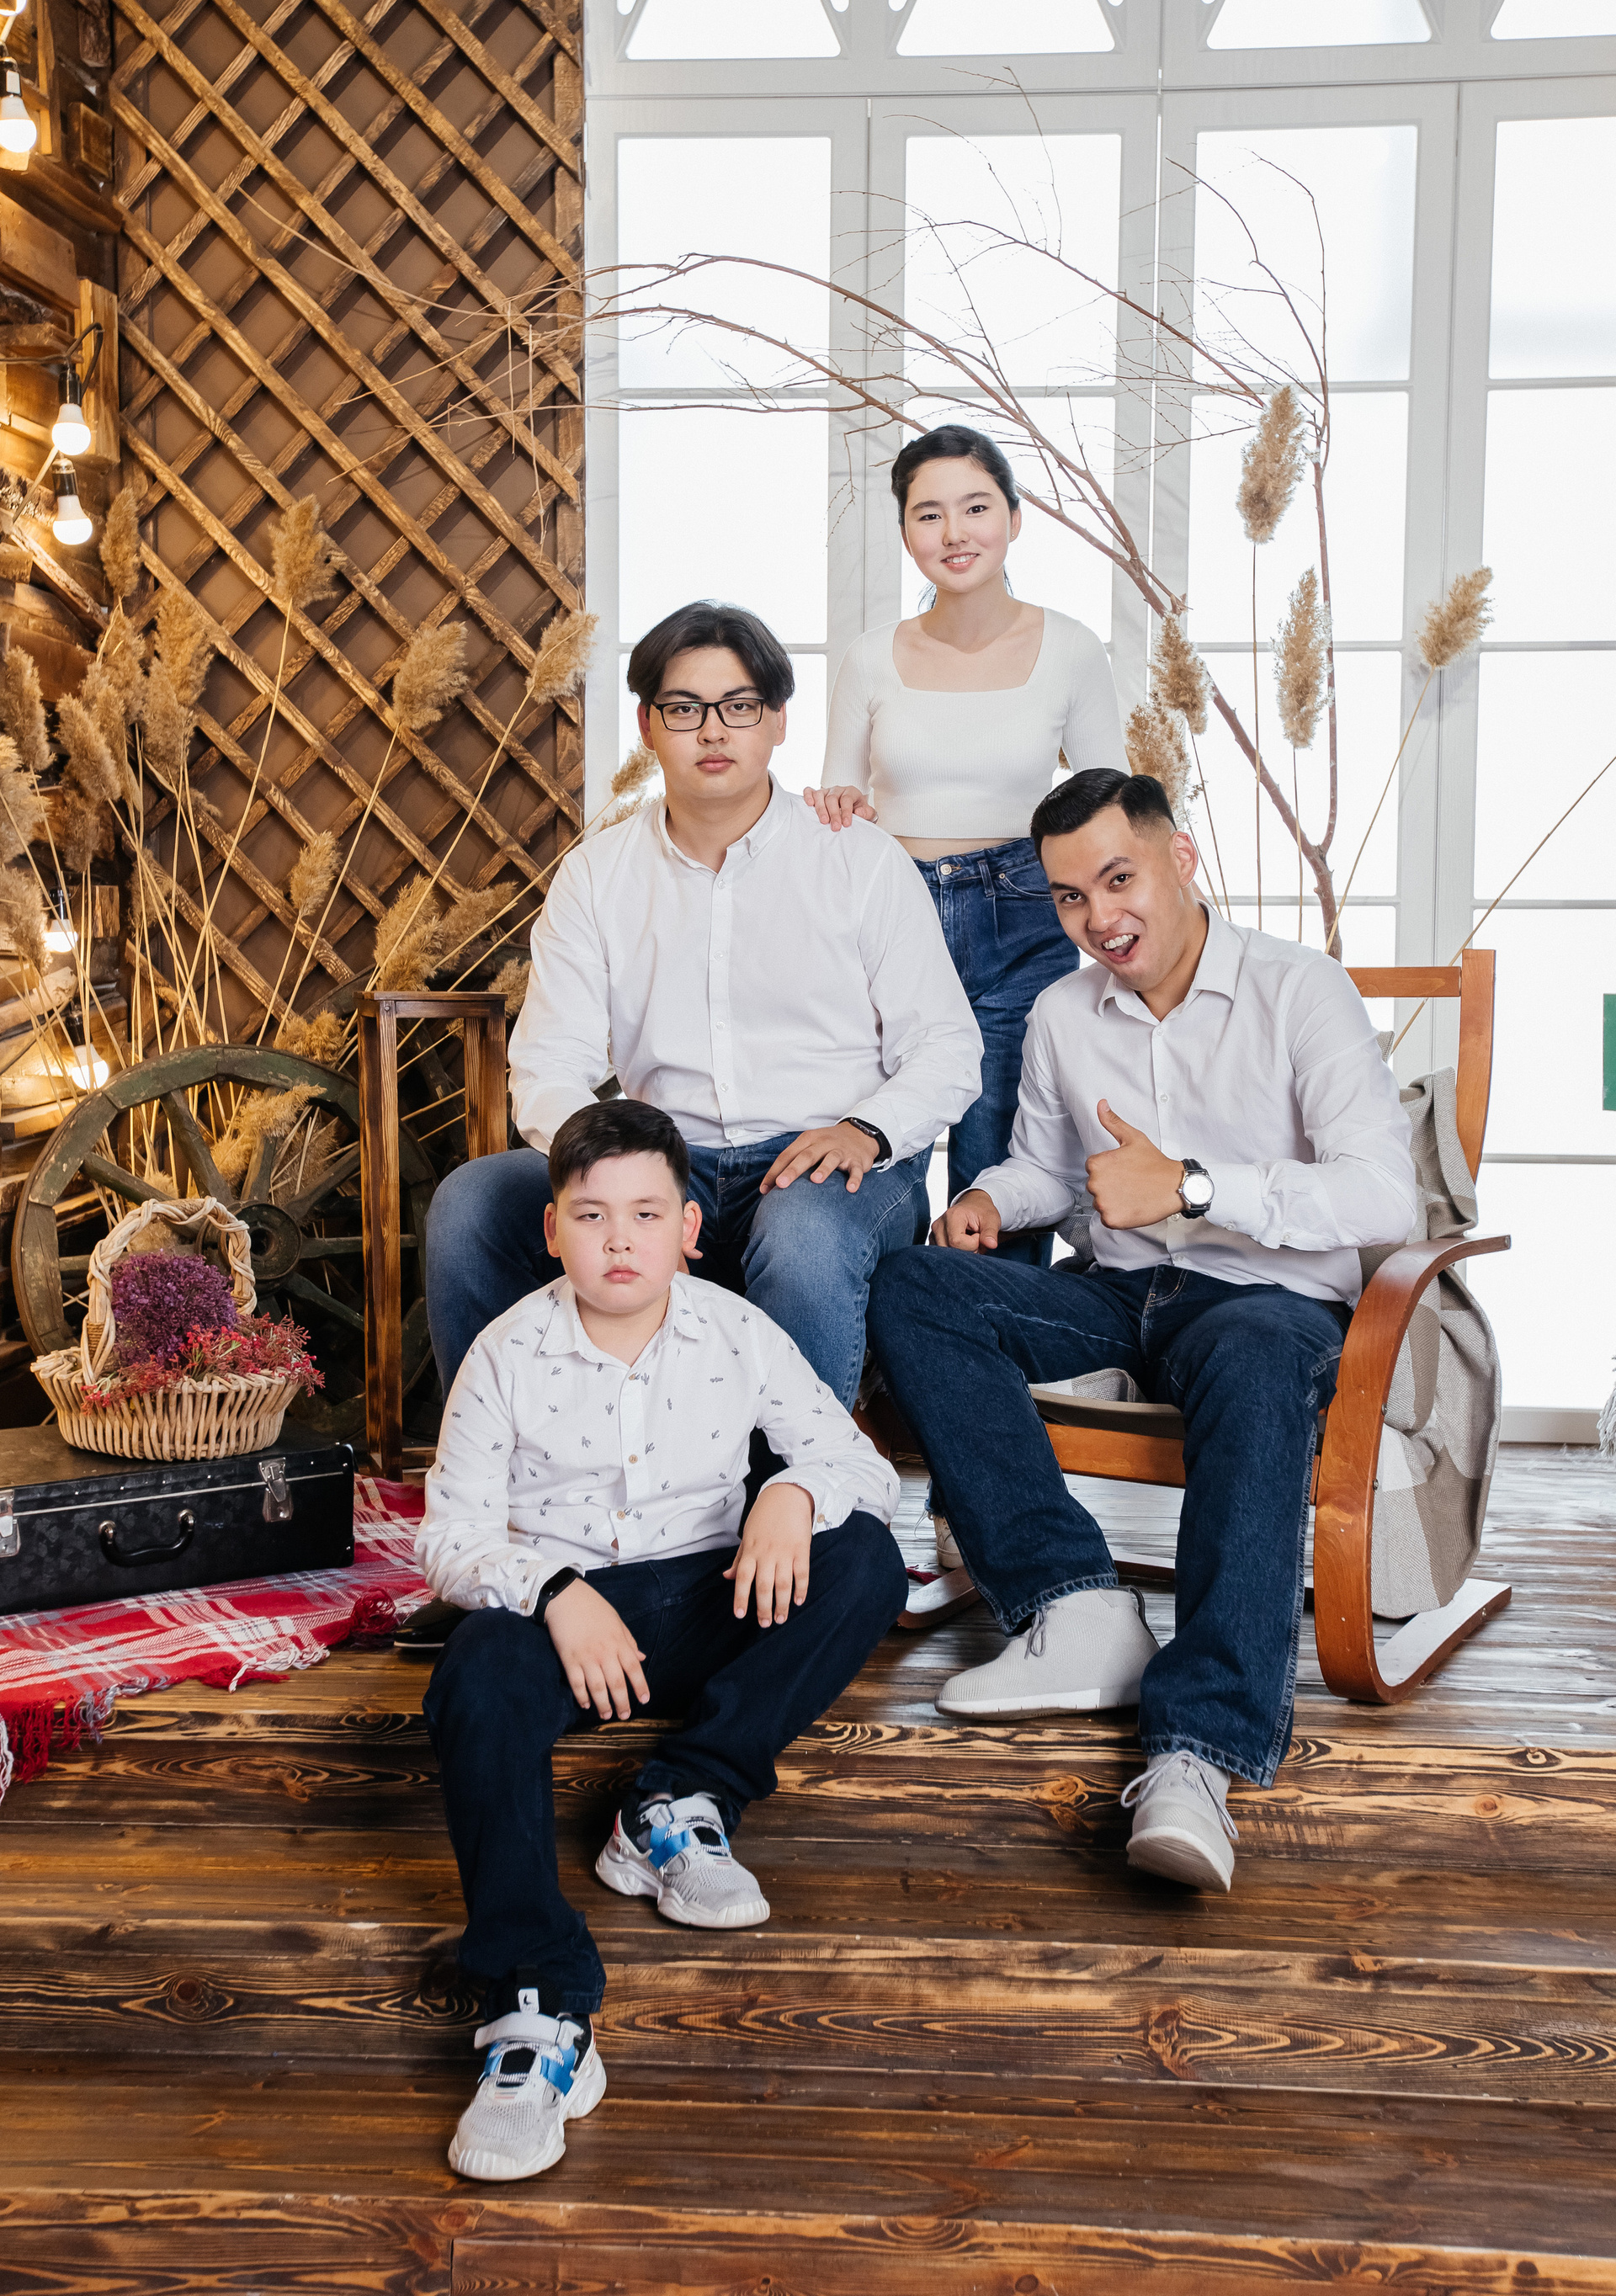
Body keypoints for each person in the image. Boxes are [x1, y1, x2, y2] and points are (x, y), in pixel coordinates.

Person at [866, 768, 1417, 1894]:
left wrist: (1195, 1186)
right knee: (915, 1285)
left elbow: (1383, 1199)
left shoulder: (1299, 990)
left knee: (1256, 1359)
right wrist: (992, 1200)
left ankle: (1197, 1752)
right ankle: (1075, 1606)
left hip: (1265, 1302)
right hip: (1121, 1296)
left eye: (1119, 880)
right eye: (1071, 897)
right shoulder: (1065, 1013)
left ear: (1181, 859)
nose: (1099, 918)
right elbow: (1045, 1167)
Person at [420, 1097, 907, 2183]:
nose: (620, 1240)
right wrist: (553, 1590)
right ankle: (538, 2007)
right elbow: (448, 1540)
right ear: (552, 1230)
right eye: (592, 1215)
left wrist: (791, 1495)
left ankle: (680, 1798)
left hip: (705, 1602)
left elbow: (859, 1466)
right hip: (566, 1626)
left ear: (689, 1228)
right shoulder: (505, 1352)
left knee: (866, 1558)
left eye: (646, 1214)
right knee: (476, 1672)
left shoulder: (736, 1332)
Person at [425, 599, 981, 1414]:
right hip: (661, 1156)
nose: (713, 731)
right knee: (472, 1204)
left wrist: (862, 1132)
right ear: (648, 726)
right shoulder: (597, 876)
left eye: (739, 706)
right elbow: (548, 1064)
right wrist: (624, 1179)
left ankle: (796, 1480)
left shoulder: (859, 861)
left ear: (779, 721)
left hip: (828, 1161)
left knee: (802, 1234)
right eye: (685, 709)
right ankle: (501, 1463)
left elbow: (946, 1048)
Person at [808, 423, 1131, 1246]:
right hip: (892, 918)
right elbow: (839, 802)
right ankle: (882, 1327)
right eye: (929, 514)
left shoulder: (1071, 649)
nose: (954, 532)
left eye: (977, 508)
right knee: (879, 1154)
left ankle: (994, 1328)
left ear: (1015, 519)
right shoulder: (869, 659)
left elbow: (1109, 809)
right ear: (906, 530)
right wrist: (840, 805)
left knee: (1001, 1174)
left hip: (1023, 917)